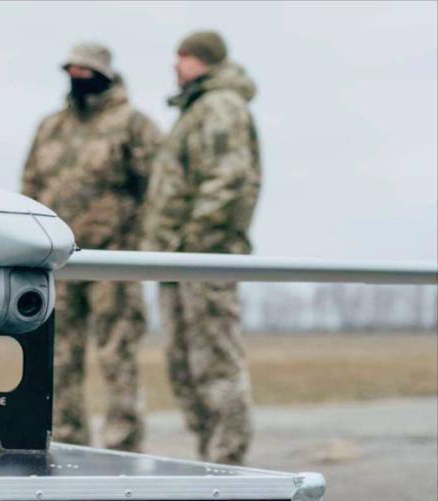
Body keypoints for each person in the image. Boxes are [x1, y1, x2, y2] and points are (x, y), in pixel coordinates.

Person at [22, 42, 162, 450]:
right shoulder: (51, 127)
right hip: (58, 263)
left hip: (112, 262)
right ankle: (64, 441)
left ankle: (123, 445)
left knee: (117, 356)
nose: (77, 77)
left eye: (85, 70)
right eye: (72, 70)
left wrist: (137, 246)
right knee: (58, 356)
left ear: (103, 74)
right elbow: (30, 188)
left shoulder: (134, 124)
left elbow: (158, 190)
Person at [142, 31, 261, 465]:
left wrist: (193, 243)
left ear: (206, 60)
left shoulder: (221, 106)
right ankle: (209, 459)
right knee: (184, 365)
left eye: (185, 56)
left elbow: (231, 178)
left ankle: (227, 463)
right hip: (178, 261)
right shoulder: (194, 110)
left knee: (215, 363)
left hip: (203, 260)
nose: (176, 64)